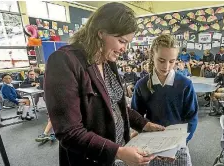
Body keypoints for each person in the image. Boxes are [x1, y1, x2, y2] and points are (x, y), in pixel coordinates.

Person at [44, 3, 165, 166]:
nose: (124, 49)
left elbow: (115, 105)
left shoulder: (107, 61)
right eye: (121, 41)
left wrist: (145, 124)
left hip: (118, 152)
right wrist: (117, 152)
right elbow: (69, 131)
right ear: (101, 32)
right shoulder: (64, 61)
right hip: (91, 158)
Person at [131, 34, 198, 165]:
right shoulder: (142, 85)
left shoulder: (185, 84)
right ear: (152, 56)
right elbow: (135, 116)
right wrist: (137, 135)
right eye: (161, 60)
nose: (166, 66)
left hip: (178, 146)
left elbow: (192, 118)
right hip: (150, 147)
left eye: (172, 61)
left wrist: (179, 144)